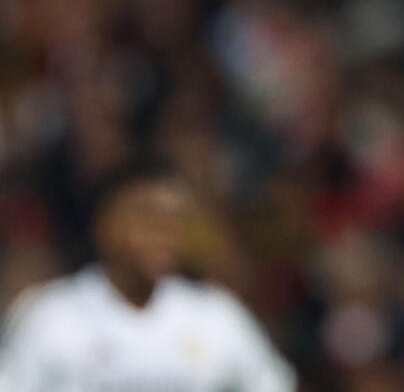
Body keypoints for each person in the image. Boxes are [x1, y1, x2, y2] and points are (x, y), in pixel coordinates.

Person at [0, 160, 296, 392]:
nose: (162, 232)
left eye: (173, 219)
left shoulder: (216, 317)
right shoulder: (50, 317)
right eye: (146, 215)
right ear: (104, 225)